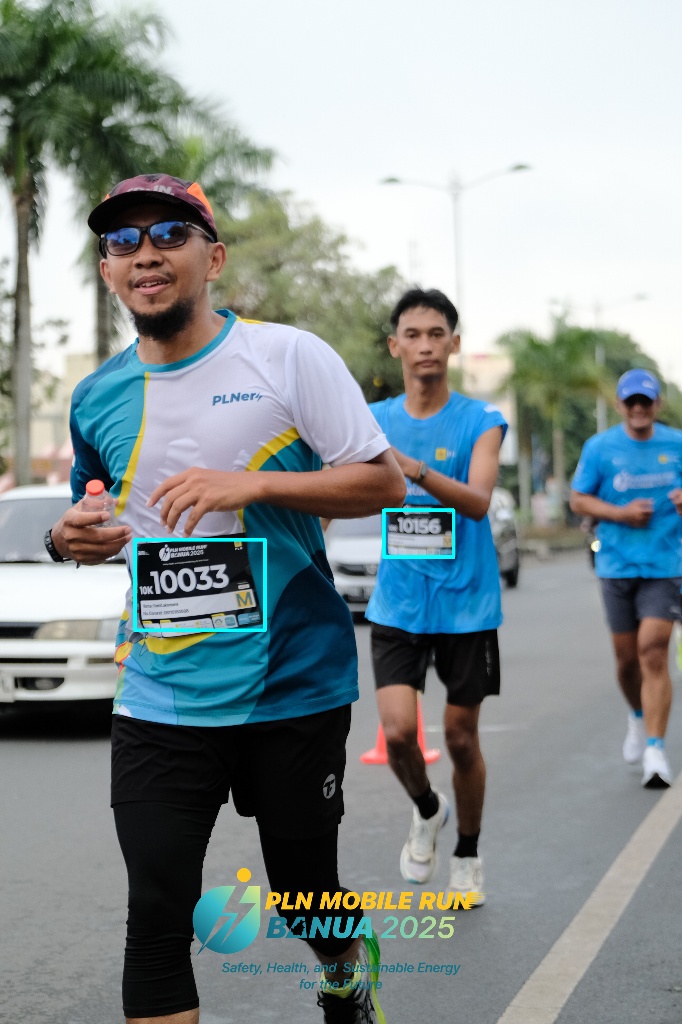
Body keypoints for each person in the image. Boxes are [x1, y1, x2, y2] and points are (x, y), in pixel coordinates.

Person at [46, 173, 405, 1024]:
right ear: (107, 271)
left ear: (213, 259)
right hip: (161, 691)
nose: (146, 254)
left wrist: (252, 483)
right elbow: (89, 511)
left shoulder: (286, 357)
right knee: (157, 909)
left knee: (303, 894)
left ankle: (344, 971)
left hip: (292, 684)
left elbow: (383, 482)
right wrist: (67, 539)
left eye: (169, 234)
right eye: (124, 241)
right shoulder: (96, 397)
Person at [364, 288, 507, 905]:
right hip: (399, 602)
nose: (425, 345)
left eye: (436, 334)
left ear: (454, 343)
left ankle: (468, 854)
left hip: (466, 604)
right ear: (395, 346)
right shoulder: (372, 420)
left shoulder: (482, 420)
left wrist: (411, 467)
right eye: (413, 335)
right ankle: (427, 808)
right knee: (399, 735)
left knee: (460, 739)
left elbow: (477, 502)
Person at [570, 368, 682, 788]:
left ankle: (655, 749)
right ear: (619, 405)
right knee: (626, 661)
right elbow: (578, 499)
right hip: (616, 566)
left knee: (652, 651)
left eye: (645, 402)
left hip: (665, 565)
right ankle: (637, 717)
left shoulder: (676, 444)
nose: (638, 409)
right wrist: (621, 514)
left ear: (657, 405)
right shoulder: (600, 448)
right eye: (631, 402)